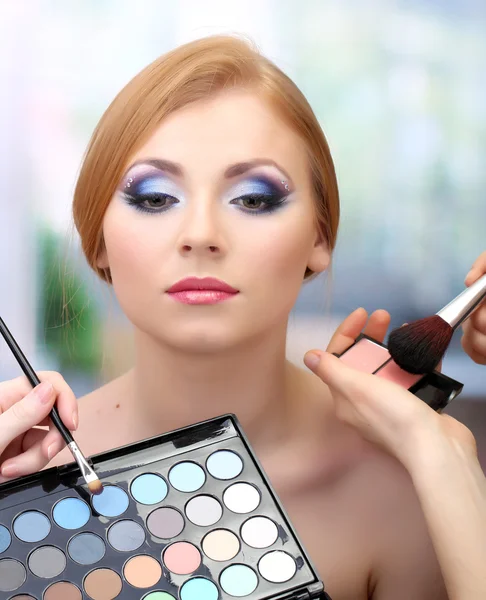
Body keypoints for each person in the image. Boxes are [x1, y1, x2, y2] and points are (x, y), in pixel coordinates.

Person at [0, 35, 485, 600]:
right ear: (98, 239)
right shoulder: (22, 477)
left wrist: (445, 463)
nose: (201, 235)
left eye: (254, 198)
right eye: (155, 198)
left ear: (319, 236)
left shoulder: (403, 485)